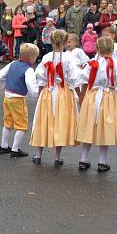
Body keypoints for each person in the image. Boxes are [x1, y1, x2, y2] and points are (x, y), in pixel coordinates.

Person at [76, 36, 117, 171]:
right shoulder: (116, 64)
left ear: (98, 49)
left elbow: (83, 80)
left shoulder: (92, 62)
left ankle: (83, 159)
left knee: (89, 126)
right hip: (108, 98)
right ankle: (102, 161)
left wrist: (82, 97)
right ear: (112, 49)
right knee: (105, 129)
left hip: (91, 97)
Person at [29, 30, 82, 166]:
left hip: (48, 91)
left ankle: (38, 154)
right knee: (60, 122)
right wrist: (79, 95)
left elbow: (40, 77)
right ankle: (57, 157)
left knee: (44, 120)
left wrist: (40, 93)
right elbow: (74, 78)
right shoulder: (68, 58)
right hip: (63, 93)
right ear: (65, 42)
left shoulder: (46, 57)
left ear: (51, 42)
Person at [0, 43, 40, 158]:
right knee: (21, 125)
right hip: (18, 99)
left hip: (7, 97)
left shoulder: (12, 63)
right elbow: (32, 87)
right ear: (32, 58)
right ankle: (15, 149)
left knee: (7, 123)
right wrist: (38, 94)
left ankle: (4, 146)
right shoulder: (28, 70)